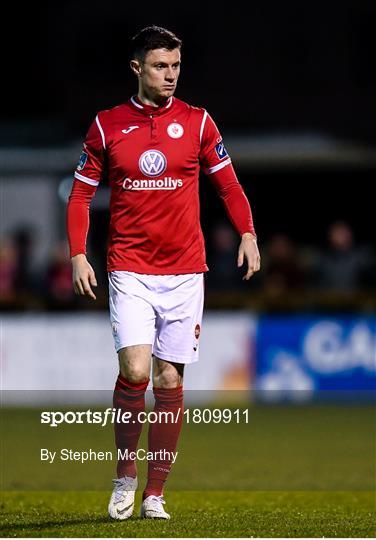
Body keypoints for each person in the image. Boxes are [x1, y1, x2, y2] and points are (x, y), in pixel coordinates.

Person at [66, 25, 260, 520]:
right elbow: (83, 194)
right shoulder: (107, 125)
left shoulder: (197, 123)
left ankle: (155, 492)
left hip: (184, 272)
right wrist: (77, 254)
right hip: (129, 267)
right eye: (160, 66)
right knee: (134, 370)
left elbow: (229, 186)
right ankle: (125, 475)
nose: (170, 75)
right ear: (137, 68)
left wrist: (248, 233)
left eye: (175, 66)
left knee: (169, 381)